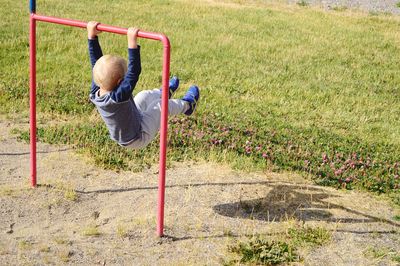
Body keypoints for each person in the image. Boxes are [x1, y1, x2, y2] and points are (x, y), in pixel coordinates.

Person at [87, 21, 200, 149]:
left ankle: (165, 93)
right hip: (137, 137)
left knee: (143, 95)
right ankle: (188, 105)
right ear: (120, 82)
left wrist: (92, 37)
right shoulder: (117, 97)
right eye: (124, 79)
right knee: (159, 105)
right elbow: (133, 72)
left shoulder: (96, 90)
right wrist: (132, 44)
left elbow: (95, 62)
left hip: (132, 121)